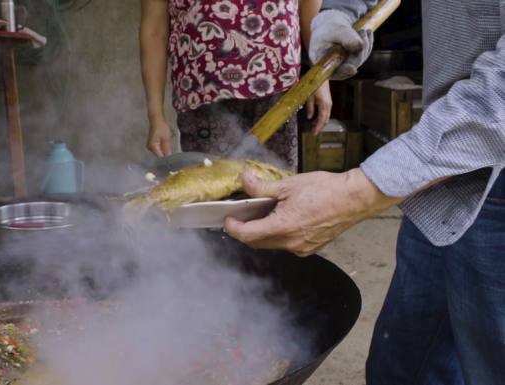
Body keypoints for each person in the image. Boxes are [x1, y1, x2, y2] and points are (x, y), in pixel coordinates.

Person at [224, 1, 505, 384]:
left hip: (491, 173)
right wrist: (339, 13)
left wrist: (357, 191)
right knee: (400, 368)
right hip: (442, 172)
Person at [140, 0, 332, 171]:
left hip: (279, 90)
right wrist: (156, 116)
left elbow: (310, 9)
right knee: (214, 195)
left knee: (275, 193)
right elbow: (154, 31)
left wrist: (321, 77)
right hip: (205, 95)